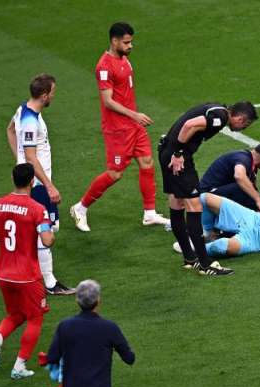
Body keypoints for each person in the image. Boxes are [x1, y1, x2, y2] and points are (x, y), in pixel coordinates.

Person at [69, 22, 169, 232]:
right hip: (117, 129)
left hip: (133, 125)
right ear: (114, 41)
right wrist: (135, 115)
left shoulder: (124, 59)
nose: (130, 46)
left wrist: (134, 118)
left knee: (147, 163)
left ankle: (149, 213)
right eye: (126, 42)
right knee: (115, 173)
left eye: (131, 41)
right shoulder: (104, 67)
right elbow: (108, 101)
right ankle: (80, 208)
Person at [159, 101, 258, 275]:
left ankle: (190, 259)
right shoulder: (220, 117)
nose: (243, 129)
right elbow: (189, 125)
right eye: (245, 124)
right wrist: (178, 153)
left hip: (167, 152)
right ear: (241, 118)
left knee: (177, 204)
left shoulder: (217, 110)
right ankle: (205, 264)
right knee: (194, 206)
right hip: (178, 159)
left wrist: (173, 151)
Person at [0, 163, 55, 380]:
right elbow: (47, 241)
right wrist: (49, 234)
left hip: (4, 274)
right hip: (28, 276)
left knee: (16, 314)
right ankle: (19, 366)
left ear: (13, 179)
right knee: (35, 318)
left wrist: (0, 238)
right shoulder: (37, 209)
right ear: (32, 181)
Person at [6, 73, 75, 295]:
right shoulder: (30, 122)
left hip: (35, 180)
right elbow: (30, 156)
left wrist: (19, 161)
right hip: (37, 184)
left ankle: (35, 273)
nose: (54, 96)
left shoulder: (23, 110)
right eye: (53, 92)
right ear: (44, 95)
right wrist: (49, 186)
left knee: (48, 227)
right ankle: (49, 282)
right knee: (46, 230)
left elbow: (9, 130)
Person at [198, 140, 260, 213]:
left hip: (217, 192)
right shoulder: (243, 159)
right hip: (207, 195)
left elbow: (252, 188)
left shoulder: (251, 163)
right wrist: (258, 201)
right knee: (241, 189)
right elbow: (239, 176)